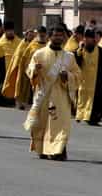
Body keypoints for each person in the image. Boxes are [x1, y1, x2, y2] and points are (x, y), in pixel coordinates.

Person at [24, 25, 81, 161]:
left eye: (61, 36)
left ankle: (59, 150)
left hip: (61, 96)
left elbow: (78, 75)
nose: (58, 38)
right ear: (50, 37)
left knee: (60, 124)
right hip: (43, 94)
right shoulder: (39, 54)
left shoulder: (69, 57)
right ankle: (42, 149)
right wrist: (35, 70)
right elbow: (30, 70)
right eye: (55, 35)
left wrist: (67, 76)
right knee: (43, 124)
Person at [0, 21, 20, 105]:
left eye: (12, 31)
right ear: (5, 31)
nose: (10, 32)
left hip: (16, 68)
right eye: (8, 31)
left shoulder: (19, 42)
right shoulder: (0, 44)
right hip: (2, 69)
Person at [75, 29, 101, 125]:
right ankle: (81, 115)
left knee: (95, 100)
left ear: (93, 39)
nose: (87, 40)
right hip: (84, 80)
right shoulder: (81, 50)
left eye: (89, 38)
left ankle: (91, 118)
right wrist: (79, 50)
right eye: (85, 38)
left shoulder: (99, 50)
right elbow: (76, 63)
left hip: (96, 81)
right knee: (82, 98)